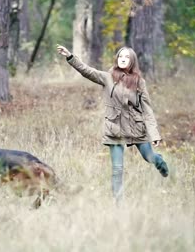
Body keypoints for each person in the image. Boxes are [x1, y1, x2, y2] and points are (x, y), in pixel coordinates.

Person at [56, 45, 169, 201]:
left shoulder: (139, 82)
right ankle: (118, 204)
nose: (122, 59)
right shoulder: (107, 77)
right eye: (120, 56)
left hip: (136, 128)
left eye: (127, 57)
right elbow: (86, 70)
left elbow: (147, 109)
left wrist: (154, 134)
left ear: (132, 61)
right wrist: (70, 57)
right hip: (114, 129)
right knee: (117, 169)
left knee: (149, 157)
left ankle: (160, 162)